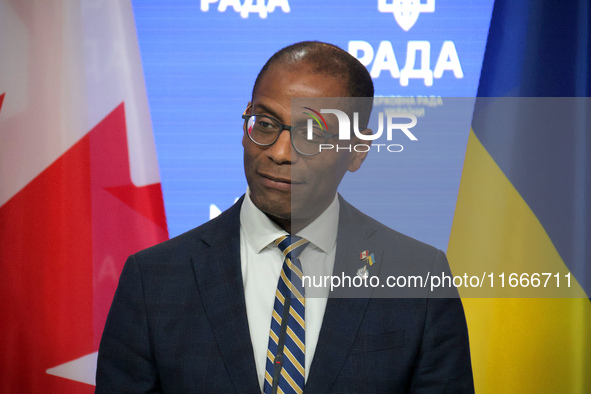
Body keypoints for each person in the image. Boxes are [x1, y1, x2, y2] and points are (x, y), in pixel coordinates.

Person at [96, 41, 474, 393]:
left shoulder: (418, 280)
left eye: (311, 133)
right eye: (265, 124)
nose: (278, 152)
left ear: (357, 150)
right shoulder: (155, 279)